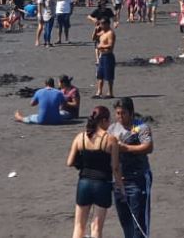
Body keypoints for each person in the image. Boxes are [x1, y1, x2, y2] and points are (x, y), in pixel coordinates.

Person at [66, 106, 123, 238]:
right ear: (103, 121)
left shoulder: (80, 137)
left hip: (84, 183)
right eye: (108, 121)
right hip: (102, 184)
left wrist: (81, 162)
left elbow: (69, 162)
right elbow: (115, 167)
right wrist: (121, 186)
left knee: (79, 226)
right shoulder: (110, 139)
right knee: (96, 227)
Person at [109, 97, 153, 238]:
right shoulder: (112, 128)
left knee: (139, 222)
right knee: (125, 221)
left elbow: (148, 147)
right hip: (119, 180)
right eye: (118, 113)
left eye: (123, 113)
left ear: (131, 113)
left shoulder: (140, 127)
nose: (120, 117)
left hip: (138, 178)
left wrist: (125, 148)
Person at [94, 18, 117, 99]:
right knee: (100, 75)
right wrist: (95, 30)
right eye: (100, 24)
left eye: (102, 24)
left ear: (107, 24)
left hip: (108, 56)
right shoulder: (102, 32)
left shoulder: (110, 33)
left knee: (109, 76)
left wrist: (101, 46)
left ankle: (110, 93)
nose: (101, 26)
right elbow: (94, 38)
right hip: (102, 56)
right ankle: (99, 92)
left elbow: (110, 45)